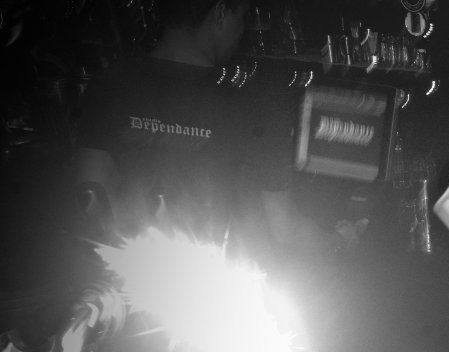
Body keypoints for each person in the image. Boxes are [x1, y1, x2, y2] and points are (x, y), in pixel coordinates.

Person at [73, 0, 328, 267]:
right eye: (241, 16)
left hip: (131, 273)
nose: (242, 29)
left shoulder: (109, 85)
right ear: (220, 13)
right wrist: (335, 240)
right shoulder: (254, 105)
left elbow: (91, 191)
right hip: (215, 279)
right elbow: (285, 228)